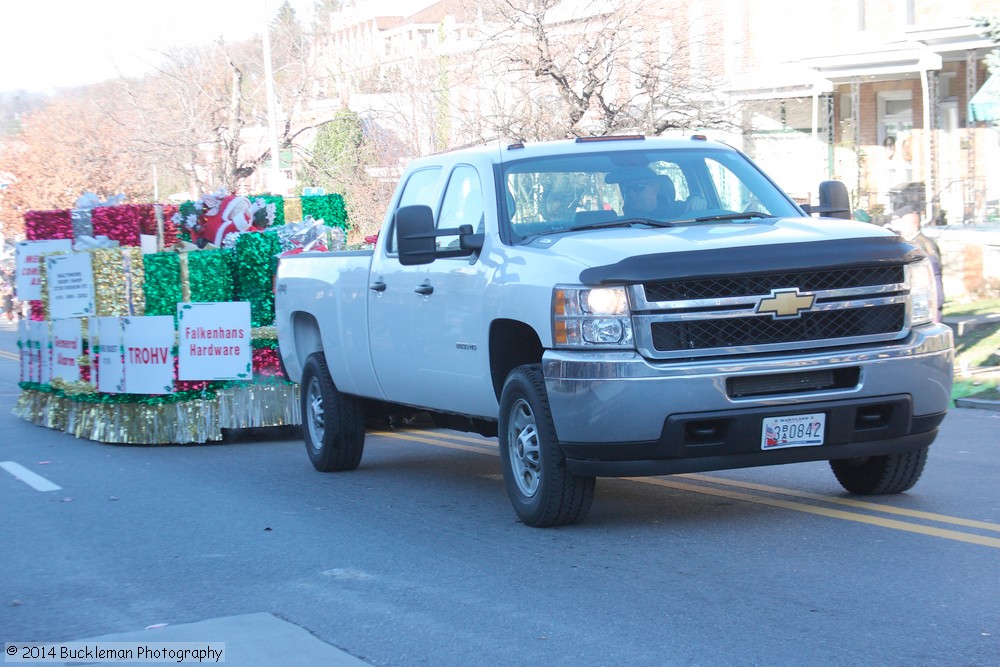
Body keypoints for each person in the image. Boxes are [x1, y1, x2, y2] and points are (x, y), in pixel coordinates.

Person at [888, 204, 944, 321]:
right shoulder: (913, 243)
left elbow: (933, 277)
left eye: (898, 223)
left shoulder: (920, 245)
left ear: (910, 224)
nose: (895, 228)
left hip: (925, 303)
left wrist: (934, 305)